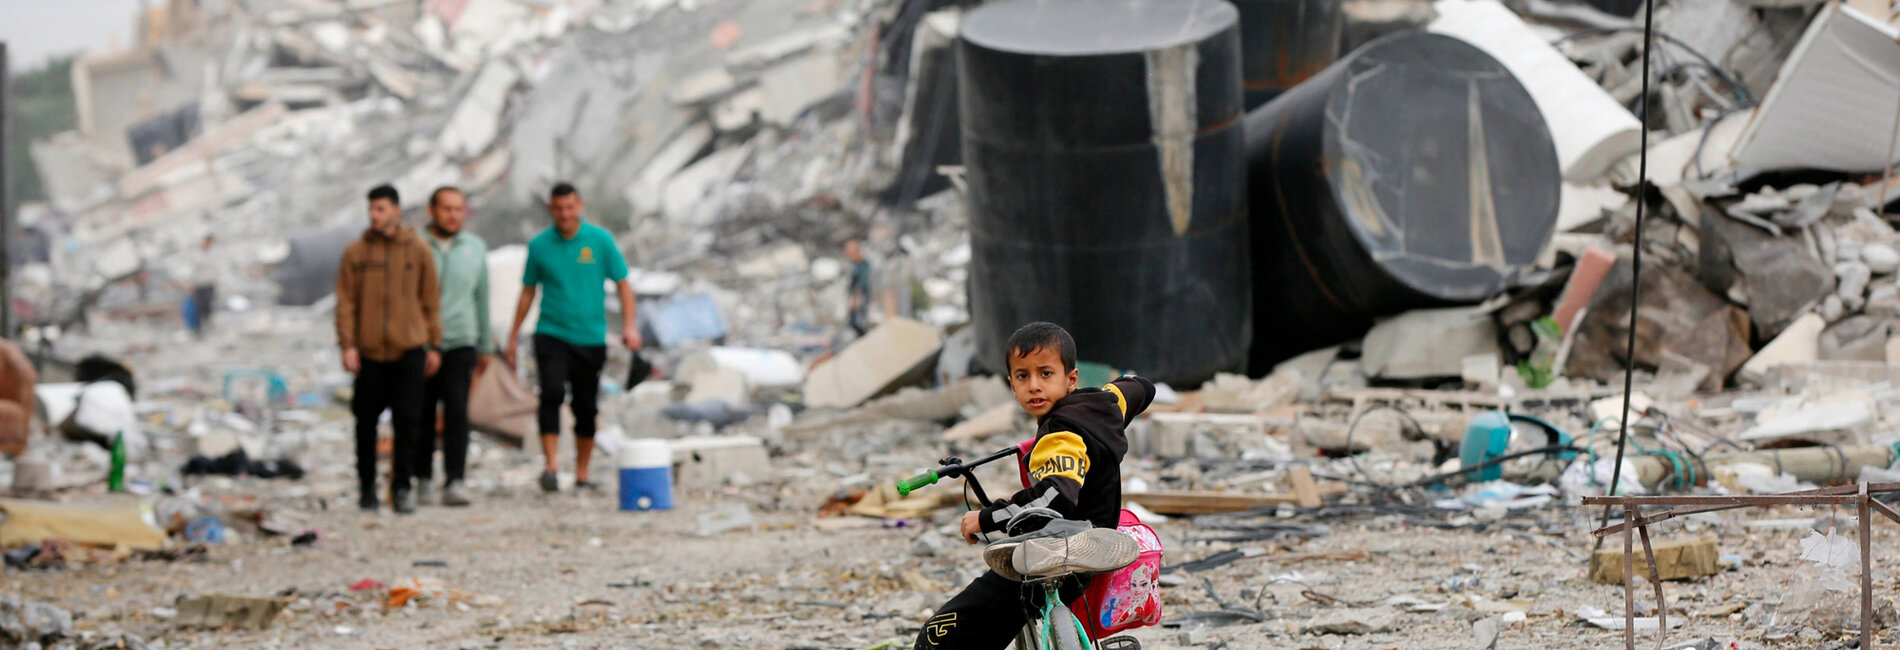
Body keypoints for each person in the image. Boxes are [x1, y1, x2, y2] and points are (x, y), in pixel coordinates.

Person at [914, 322, 1153, 649]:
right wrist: (1119, 389)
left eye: (1045, 373)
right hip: (1094, 554)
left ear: (1070, 379)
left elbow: (1054, 498)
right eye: (1023, 376)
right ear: (1012, 383)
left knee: (935, 637)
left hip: (1058, 555)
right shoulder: (1104, 405)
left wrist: (984, 518)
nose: (1034, 386)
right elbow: (1142, 387)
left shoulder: (1059, 435)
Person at [504, 182, 639, 494]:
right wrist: (513, 335)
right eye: (558, 208)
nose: (564, 214)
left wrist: (630, 326)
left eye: (569, 207)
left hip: (590, 336)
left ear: (579, 206)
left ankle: (581, 472)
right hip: (550, 332)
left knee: (586, 405)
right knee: (550, 394)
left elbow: (623, 284)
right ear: (551, 209)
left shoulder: (600, 241)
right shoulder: (539, 246)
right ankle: (551, 466)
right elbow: (528, 292)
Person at [336, 184, 442, 514]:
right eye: (371, 209)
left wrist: (434, 345)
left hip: (407, 350)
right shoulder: (356, 254)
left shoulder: (418, 251)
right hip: (368, 354)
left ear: (396, 210)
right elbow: (345, 302)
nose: (374, 215)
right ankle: (367, 488)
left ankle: (402, 489)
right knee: (365, 423)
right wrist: (348, 344)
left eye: (381, 209)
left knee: (408, 424)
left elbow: (430, 302)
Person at [418, 186, 490, 508]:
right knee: (422, 412)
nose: (452, 215)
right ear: (432, 210)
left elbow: (482, 298)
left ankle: (455, 480)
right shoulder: (415, 245)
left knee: (458, 412)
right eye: (446, 208)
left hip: (462, 340)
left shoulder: (475, 248)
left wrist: (486, 344)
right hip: (420, 342)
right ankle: (420, 478)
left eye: (458, 209)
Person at [845, 239, 872, 336]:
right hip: (857, 300)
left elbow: (861, 285)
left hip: (861, 301)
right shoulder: (855, 265)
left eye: (850, 251)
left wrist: (855, 300)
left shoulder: (864, 266)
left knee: (859, 324)